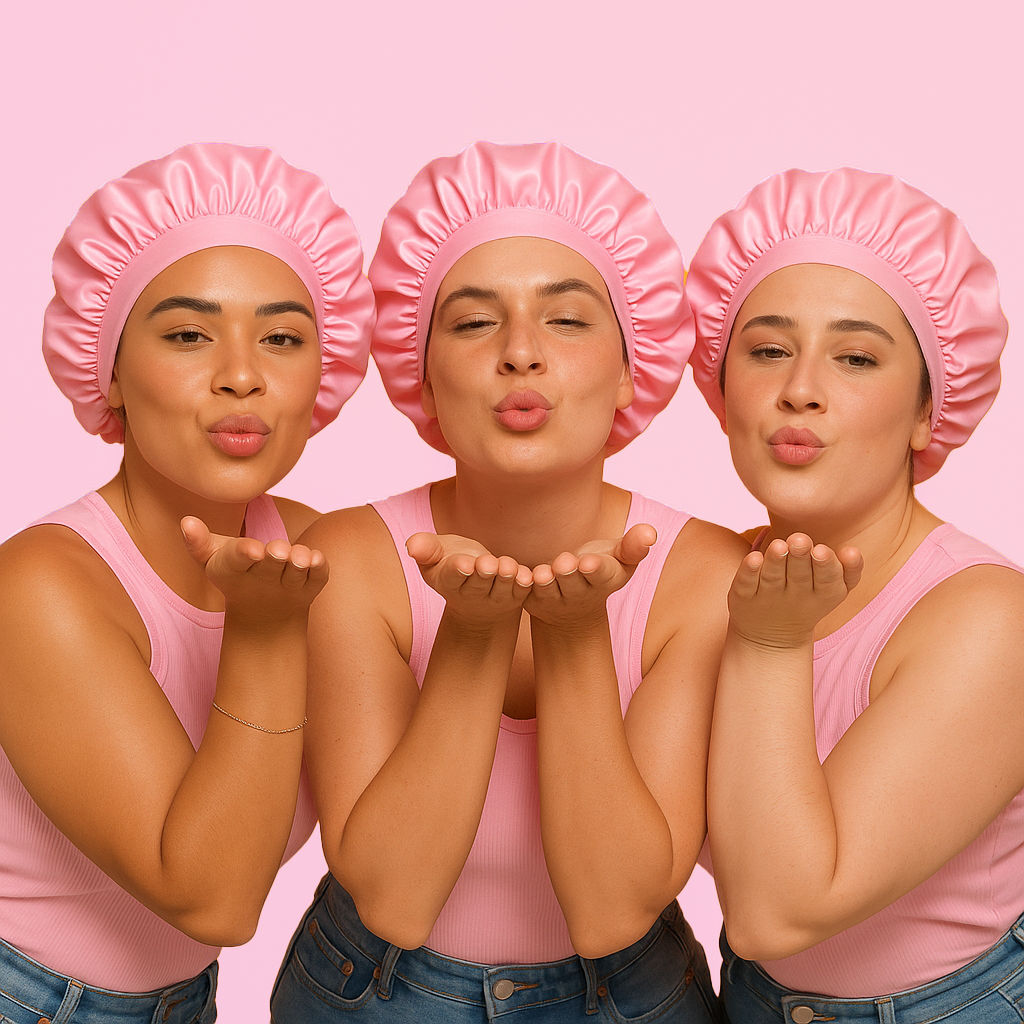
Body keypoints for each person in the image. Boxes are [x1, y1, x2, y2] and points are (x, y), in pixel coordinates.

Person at [271, 141, 745, 1023]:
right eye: (473, 321)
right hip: (370, 991)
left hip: (633, 995)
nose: (521, 353)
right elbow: (395, 896)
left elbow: (613, 908)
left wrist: (573, 636)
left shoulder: (704, 573)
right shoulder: (355, 559)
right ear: (421, 375)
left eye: (566, 320)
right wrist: (474, 634)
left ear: (633, 366)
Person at [0, 142, 375, 1023]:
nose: (242, 374)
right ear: (111, 370)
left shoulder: (326, 548)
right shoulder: (44, 585)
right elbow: (211, 896)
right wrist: (269, 631)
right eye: (187, 335)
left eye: (281, 338)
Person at [686, 167, 1024, 1022]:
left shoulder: (984, 618)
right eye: (767, 350)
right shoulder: (701, 576)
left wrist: (768, 643)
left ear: (926, 412)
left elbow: (777, 910)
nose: (800, 388)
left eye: (856, 357)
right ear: (722, 392)